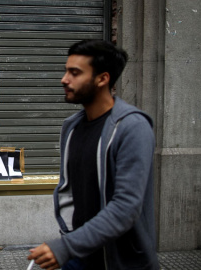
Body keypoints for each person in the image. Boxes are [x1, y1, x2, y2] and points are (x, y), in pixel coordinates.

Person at [27, 40, 159, 269]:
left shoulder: (132, 128)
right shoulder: (73, 127)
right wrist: (69, 239)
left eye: (74, 73)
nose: (64, 79)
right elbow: (69, 189)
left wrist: (65, 246)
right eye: (66, 71)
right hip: (79, 255)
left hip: (121, 261)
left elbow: (126, 208)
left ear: (102, 79)